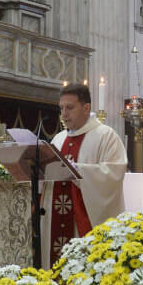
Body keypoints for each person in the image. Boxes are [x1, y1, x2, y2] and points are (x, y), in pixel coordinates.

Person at [40, 83, 127, 266]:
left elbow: (113, 173)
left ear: (86, 108)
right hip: (56, 216)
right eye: (61, 108)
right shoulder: (58, 139)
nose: (64, 114)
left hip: (83, 220)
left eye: (70, 108)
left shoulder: (106, 135)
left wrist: (78, 170)